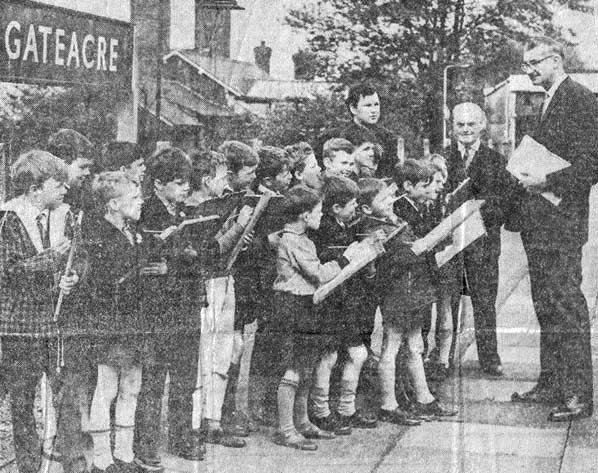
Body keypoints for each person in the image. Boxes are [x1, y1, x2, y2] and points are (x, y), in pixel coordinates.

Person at [509, 37, 598, 421]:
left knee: (566, 306)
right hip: (541, 223)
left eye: (534, 63)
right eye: (526, 64)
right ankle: (552, 383)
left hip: (561, 223)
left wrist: (545, 181)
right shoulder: (548, 99)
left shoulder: (580, 98)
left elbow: (592, 164)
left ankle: (578, 395)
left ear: (556, 60)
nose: (529, 70)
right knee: (546, 305)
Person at [0, 150, 80, 473]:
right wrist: (51, 259)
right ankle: (29, 467)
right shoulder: (9, 220)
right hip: (17, 328)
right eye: (57, 184)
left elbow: (72, 259)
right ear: (34, 190)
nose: (64, 190)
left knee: (62, 394)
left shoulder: (57, 216)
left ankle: (64, 462)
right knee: (22, 402)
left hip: (48, 324)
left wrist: (69, 276)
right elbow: (9, 272)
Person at [84, 172, 162, 473]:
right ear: (114, 204)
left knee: (132, 386)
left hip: (136, 323)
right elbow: (103, 283)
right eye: (134, 198)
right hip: (112, 324)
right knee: (107, 389)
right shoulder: (100, 235)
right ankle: (103, 459)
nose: (141, 201)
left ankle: (125, 455)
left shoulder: (132, 230)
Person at [269, 185, 357, 450]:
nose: (321, 216)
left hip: (305, 303)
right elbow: (318, 273)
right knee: (293, 368)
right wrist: (347, 259)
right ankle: (286, 429)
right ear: (305, 215)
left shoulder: (303, 239)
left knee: (305, 365)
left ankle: (303, 421)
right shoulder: (292, 240)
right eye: (318, 212)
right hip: (292, 306)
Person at [134, 147, 205, 465]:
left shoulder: (185, 213)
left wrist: (177, 264)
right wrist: (178, 263)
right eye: (178, 182)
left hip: (186, 304)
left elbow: (191, 260)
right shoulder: (144, 212)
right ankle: (145, 443)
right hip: (158, 308)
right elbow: (145, 263)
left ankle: (180, 437)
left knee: (185, 378)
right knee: (152, 379)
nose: (185, 188)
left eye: (187, 182)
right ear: (158, 184)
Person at [185, 149, 253, 448]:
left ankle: (215, 419)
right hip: (207, 283)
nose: (226, 184)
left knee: (224, 351)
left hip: (226, 279)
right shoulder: (194, 211)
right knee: (206, 352)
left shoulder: (220, 204)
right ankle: (199, 421)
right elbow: (210, 250)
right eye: (222, 177)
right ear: (205, 180)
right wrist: (238, 227)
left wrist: (240, 233)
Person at [443, 103, 514, 377]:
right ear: (453, 127)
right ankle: (443, 357)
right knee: (447, 301)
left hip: (483, 243)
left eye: (472, 124)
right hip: (450, 244)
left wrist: (480, 219)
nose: (466, 129)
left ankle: (489, 357)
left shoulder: (497, 161)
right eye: (460, 124)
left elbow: (506, 202)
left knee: (484, 302)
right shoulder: (443, 159)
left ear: (482, 126)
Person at [386, 160, 458, 419]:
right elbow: (410, 248)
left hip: (414, 284)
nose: (431, 189)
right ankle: (394, 401)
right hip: (404, 286)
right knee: (397, 344)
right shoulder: (402, 210)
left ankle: (415, 396)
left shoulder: (414, 207)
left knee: (412, 344)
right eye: (425, 184)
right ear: (408, 186)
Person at [309, 175, 378, 435]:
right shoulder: (325, 230)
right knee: (329, 357)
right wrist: (352, 254)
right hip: (331, 304)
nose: (356, 208)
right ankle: (322, 410)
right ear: (336, 208)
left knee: (353, 354)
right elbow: (329, 263)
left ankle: (345, 409)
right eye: (352, 204)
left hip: (346, 303)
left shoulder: (344, 226)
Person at [316, 83, 399, 177]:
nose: (374, 110)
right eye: (368, 105)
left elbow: (392, 171)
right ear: (353, 109)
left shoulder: (388, 137)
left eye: (376, 104)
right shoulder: (333, 136)